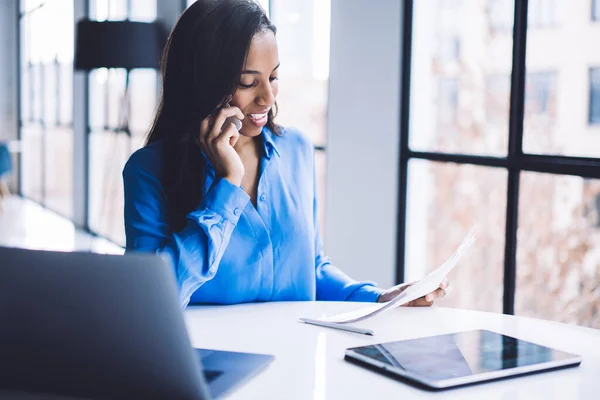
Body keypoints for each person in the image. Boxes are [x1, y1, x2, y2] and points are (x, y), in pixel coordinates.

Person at [123, 0, 448, 308]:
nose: (267, 97)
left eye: (274, 77)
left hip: (296, 357)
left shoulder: (296, 150)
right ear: (202, 83)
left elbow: (312, 268)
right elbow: (151, 301)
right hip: (207, 363)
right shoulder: (148, 170)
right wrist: (226, 185)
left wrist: (379, 298)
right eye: (248, 83)